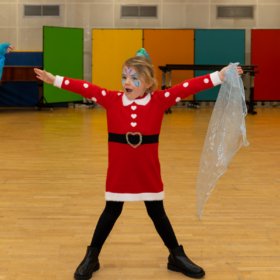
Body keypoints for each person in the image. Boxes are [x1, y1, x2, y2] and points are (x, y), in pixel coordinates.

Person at [34, 48, 243, 279]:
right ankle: (92, 256)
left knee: (157, 212)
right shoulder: (111, 99)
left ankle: (176, 256)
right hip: (120, 171)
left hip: (147, 171)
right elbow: (85, 87)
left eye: (134, 78)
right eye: (124, 77)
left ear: (149, 83)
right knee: (111, 211)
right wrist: (55, 80)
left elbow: (188, 87)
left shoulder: (159, 101)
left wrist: (219, 75)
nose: (127, 82)